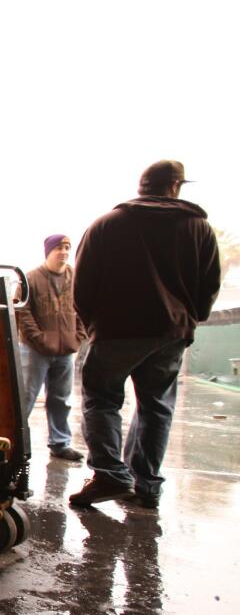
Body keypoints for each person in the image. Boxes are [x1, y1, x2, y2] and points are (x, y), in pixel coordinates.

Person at [69, 160, 221, 509]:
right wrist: (187, 319)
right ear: (175, 186)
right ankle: (146, 485)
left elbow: (83, 285)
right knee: (156, 406)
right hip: (170, 332)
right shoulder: (198, 229)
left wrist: (95, 325)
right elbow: (209, 284)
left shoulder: (108, 224)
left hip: (115, 332)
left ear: (142, 186)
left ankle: (110, 474)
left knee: (102, 399)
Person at [17, 233, 87, 462]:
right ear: (48, 252)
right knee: (25, 396)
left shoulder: (76, 278)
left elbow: (85, 308)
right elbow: (22, 311)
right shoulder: (31, 279)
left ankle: (60, 443)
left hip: (66, 350)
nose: (64, 252)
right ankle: (15, 441)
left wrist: (78, 337)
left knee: (61, 399)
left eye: (67, 248)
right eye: (59, 248)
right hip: (35, 350)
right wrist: (38, 338)